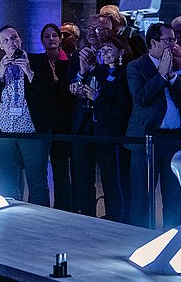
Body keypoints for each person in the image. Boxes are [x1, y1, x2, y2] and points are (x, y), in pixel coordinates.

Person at [125, 22, 181, 230]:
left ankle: (172, 237)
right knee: (142, 194)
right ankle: (138, 237)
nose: (173, 44)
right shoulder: (136, 66)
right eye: (168, 40)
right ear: (153, 42)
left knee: (174, 195)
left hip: (176, 139)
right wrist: (160, 75)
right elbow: (141, 98)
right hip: (148, 139)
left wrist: (175, 74)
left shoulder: (178, 63)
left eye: (173, 40)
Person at [0, 25, 51, 206]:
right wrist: (0, 73)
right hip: (4, 130)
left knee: (37, 181)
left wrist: (29, 72)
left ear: (20, 39)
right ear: (0, 45)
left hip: (31, 130)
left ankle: (40, 220)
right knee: (7, 183)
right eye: (6, 40)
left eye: (14, 38)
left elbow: (48, 93)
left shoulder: (38, 60)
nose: (11, 43)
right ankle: (11, 221)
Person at [76, 35, 133, 223]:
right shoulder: (103, 73)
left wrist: (97, 98)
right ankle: (111, 217)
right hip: (102, 135)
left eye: (109, 49)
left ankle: (120, 219)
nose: (104, 53)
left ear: (121, 52)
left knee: (116, 181)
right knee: (107, 181)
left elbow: (123, 109)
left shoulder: (125, 74)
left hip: (116, 136)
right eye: (102, 50)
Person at [29, 23, 73, 212]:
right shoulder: (36, 61)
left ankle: (64, 205)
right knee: (37, 168)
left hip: (63, 119)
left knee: (61, 166)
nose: (51, 39)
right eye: (47, 36)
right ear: (42, 40)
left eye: (54, 35)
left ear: (60, 38)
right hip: (43, 118)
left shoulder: (70, 61)